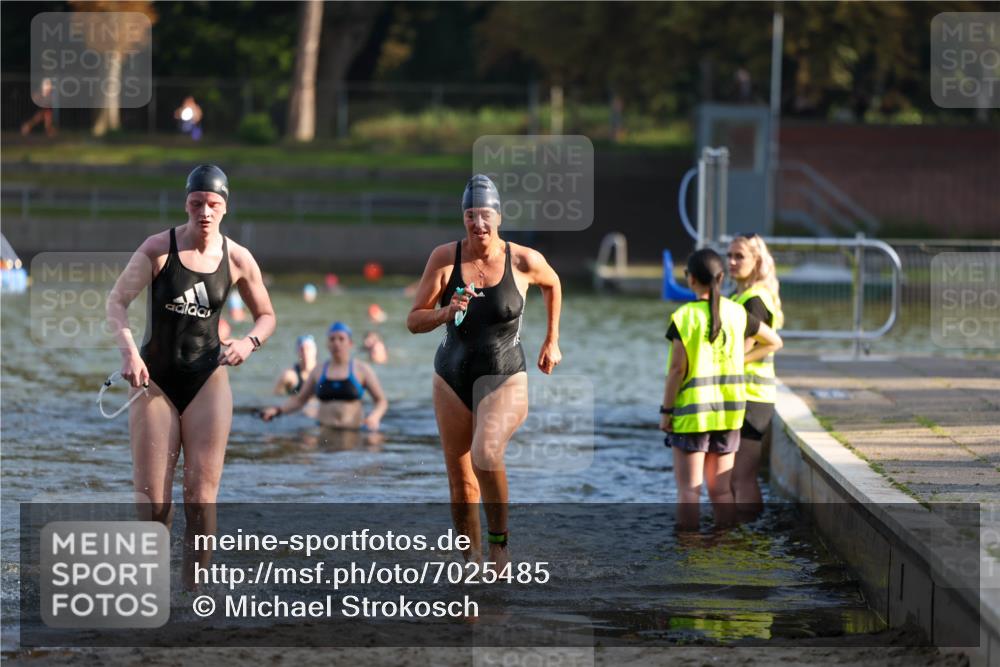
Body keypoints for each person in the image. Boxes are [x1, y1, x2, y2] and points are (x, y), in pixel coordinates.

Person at [106, 164, 276, 588]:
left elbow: (267, 316)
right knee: (154, 504)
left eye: (213, 204)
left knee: (200, 501)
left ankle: (192, 595)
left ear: (225, 208)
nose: (204, 211)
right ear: (186, 204)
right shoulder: (158, 249)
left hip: (208, 380)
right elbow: (116, 303)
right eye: (197, 203)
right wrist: (129, 353)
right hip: (155, 382)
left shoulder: (238, 258)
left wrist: (249, 343)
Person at [406, 174, 562, 566]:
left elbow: (553, 283)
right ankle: (469, 565)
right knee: (461, 486)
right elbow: (413, 320)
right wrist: (446, 310)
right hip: (451, 376)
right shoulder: (445, 258)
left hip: (506, 373)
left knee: (486, 451)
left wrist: (551, 340)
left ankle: (499, 545)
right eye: (471, 215)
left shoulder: (523, 259)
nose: (478, 223)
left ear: (499, 216)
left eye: (485, 214)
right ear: (463, 219)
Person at [659, 248, 782, 530]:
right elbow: (773, 340)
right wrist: (739, 359)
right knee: (722, 490)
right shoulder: (737, 313)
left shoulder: (684, 316)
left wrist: (666, 412)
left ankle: (688, 547)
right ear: (721, 277)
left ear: (690, 280)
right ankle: (724, 544)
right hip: (729, 415)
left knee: (690, 491)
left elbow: (676, 371)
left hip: (693, 416)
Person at [727, 233, 784, 513]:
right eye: (729, 256)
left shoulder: (755, 299)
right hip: (746, 396)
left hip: (753, 399)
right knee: (735, 478)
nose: (732, 262)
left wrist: (737, 363)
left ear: (756, 260)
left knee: (741, 477)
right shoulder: (742, 295)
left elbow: (763, 344)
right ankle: (744, 538)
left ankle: (750, 538)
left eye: (739, 256)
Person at [259, 322, 388, 431]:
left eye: (341, 339)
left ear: (350, 343)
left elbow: (381, 401)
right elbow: (299, 401)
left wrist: (374, 417)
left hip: (353, 432)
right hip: (324, 432)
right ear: (327, 344)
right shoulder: (318, 371)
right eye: (332, 339)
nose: (336, 343)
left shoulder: (362, 370)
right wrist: (277, 410)